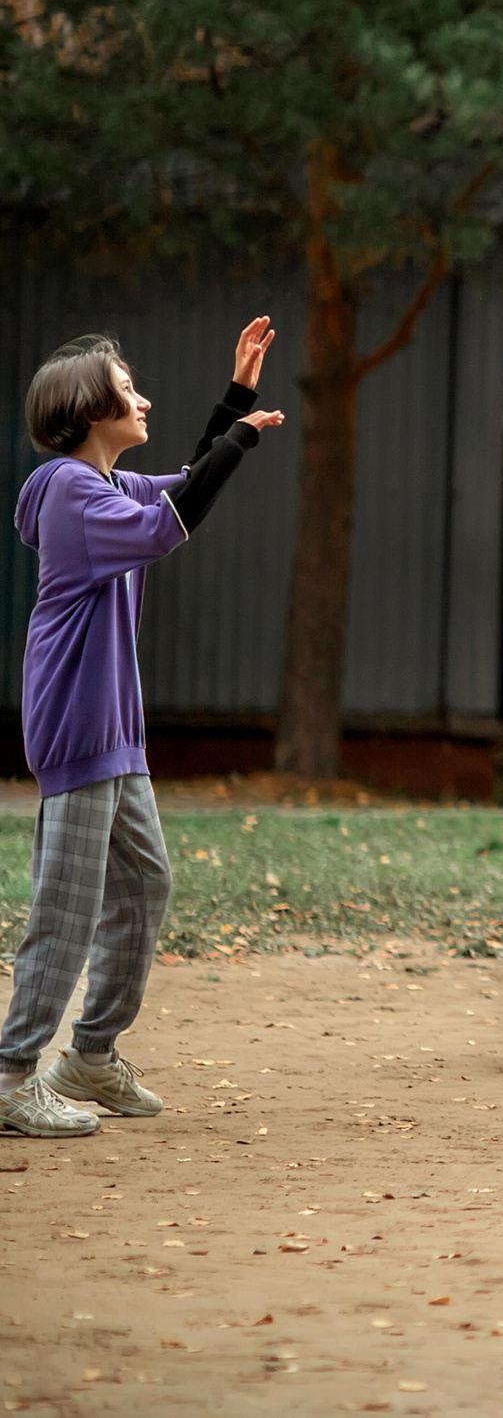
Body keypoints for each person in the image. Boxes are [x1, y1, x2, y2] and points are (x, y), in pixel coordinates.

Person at [0, 322, 285, 1137]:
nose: (143, 397)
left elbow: (185, 487)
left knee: (146, 882)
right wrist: (237, 433)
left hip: (115, 727)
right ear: (92, 409)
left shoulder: (107, 486)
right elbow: (176, 521)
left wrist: (237, 400)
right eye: (129, 388)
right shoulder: (65, 489)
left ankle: (89, 1055)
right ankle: (13, 1073)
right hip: (80, 721)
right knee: (69, 905)